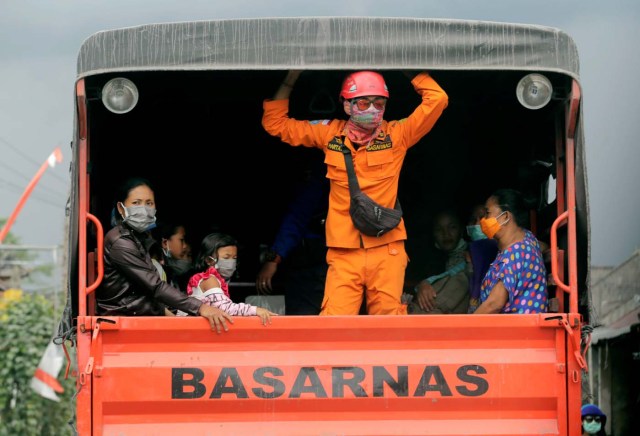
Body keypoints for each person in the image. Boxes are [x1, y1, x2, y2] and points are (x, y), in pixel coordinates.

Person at [262, 70, 448, 315]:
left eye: (379, 102)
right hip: (343, 252)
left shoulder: (397, 135)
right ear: (347, 106)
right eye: (363, 102)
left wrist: (408, 68)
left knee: (388, 328)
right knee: (334, 327)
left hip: (386, 249)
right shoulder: (330, 134)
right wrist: (291, 76)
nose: (372, 108)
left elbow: (438, 99)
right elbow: (275, 124)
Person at [97, 177, 233, 333]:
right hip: (125, 317)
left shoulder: (138, 238)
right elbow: (155, 286)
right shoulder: (120, 242)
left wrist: (172, 315)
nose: (143, 209)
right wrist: (201, 308)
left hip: (138, 312)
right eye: (136, 203)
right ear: (121, 209)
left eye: (149, 203)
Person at [256, 160, 329, 315]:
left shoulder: (317, 172)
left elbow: (298, 216)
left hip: (312, 261)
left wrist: (274, 258)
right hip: (319, 258)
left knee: (306, 319)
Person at [474, 189, 548, 314]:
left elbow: (494, 304)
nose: (483, 220)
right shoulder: (527, 238)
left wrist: (465, 328)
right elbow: (543, 247)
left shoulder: (515, 254)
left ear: (506, 217)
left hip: (514, 331)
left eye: (487, 213)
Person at [182, 232, 277, 325]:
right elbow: (225, 308)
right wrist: (256, 310)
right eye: (226, 258)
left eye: (234, 258)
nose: (231, 262)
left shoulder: (217, 280)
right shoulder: (209, 279)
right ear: (209, 260)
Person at [409, 209, 470, 314]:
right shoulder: (428, 259)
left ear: (461, 230)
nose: (446, 234)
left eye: (452, 227)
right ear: (433, 234)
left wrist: (426, 282)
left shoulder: (470, 254)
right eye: (439, 229)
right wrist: (421, 287)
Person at [465, 203, 499, 313]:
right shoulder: (470, 250)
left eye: (483, 217)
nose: (477, 223)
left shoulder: (503, 247)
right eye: (473, 220)